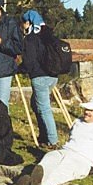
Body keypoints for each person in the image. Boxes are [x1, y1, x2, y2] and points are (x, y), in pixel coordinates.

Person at [10, 97, 93, 185]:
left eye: (91, 111)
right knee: (50, 158)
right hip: (65, 151)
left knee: (61, 172)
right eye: (86, 109)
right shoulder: (78, 122)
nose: (86, 112)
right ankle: (35, 176)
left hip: (82, 159)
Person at [19, 10, 59, 148]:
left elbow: (29, 61)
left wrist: (20, 69)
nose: (23, 26)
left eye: (23, 23)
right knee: (35, 104)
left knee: (44, 108)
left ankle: (52, 140)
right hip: (53, 76)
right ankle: (44, 136)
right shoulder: (48, 35)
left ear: (28, 22)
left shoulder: (31, 38)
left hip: (39, 76)